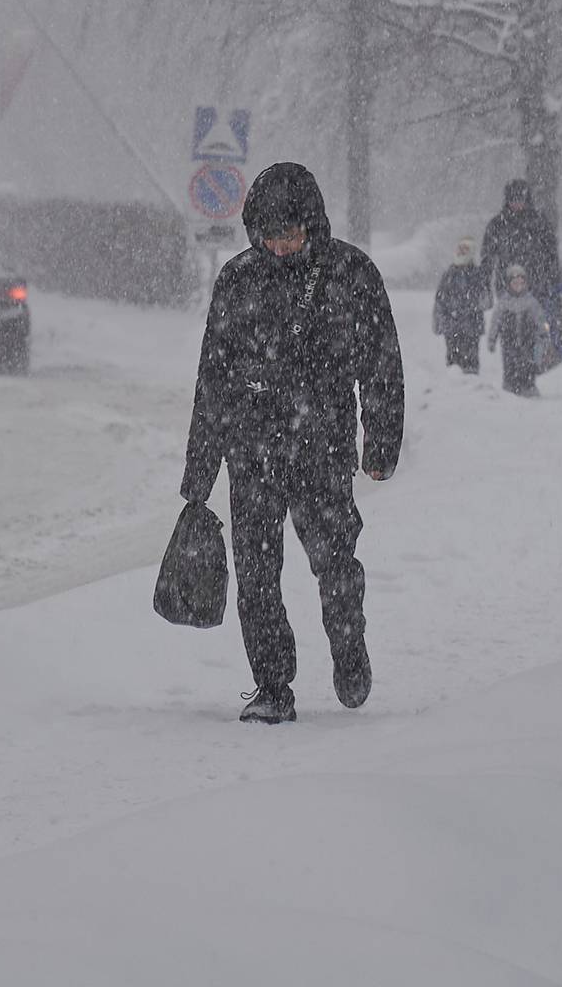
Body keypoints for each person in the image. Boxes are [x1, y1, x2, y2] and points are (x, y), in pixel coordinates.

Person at [180, 162, 405, 724]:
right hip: (250, 453)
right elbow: (213, 378)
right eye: (269, 237)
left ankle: (348, 648)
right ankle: (272, 687)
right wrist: (200, 471)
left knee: (334, 562)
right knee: (256, 576)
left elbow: (382, 364)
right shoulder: (237, 280)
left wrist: (380, 442)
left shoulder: (351, 273)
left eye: (290, 236)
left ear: (313, 225)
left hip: (322, 450)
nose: (279, 247)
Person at [480, 178, 562, 357]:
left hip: (536, 286)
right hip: (507, 289)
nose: (517, 204)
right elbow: (487, 258)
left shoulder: (539, 223)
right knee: (509, 331)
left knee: (535, 327)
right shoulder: (497, 225)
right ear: (507, 200)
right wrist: (485, 285)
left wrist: (556, 282)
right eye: (513, 200)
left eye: (520, 199)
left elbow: (551, 256)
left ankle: (536, 361)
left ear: (527, 199)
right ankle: (512, 363)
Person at [487, 264, 550, 396]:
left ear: (526, 284)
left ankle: (528, 386)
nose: (518, 286)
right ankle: (510, 386)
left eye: (521, 283)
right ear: (509, 284)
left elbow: (541, 320)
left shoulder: (531, 302)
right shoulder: (504, 303)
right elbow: (495, 322)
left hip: (527, 340)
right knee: (510, 364)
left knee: (528, 364)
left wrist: (544, 333)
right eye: (515, 283)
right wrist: (492, 339)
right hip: (508, 341)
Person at [432, 237, 490, 373]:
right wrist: (438, 321)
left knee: (471, 362)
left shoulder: (478, 274)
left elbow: (487, 300)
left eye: (465, 249)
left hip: (472, 326)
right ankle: (454, 382)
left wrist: (470, 308)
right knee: (453, 362)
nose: (461, 252)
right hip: (451, 326)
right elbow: (440, 299)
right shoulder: (449, 274)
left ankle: (471, 381)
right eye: (460, 249)